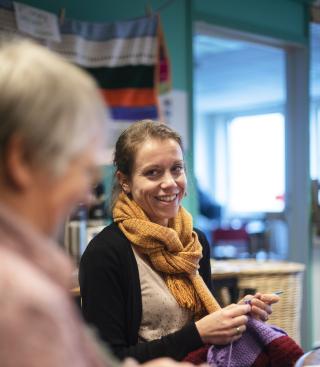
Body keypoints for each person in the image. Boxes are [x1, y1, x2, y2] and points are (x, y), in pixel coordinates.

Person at [0, 40, 192, 367]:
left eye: (176, 169)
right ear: (22, 161)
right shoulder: (22, 300)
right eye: (80, 168)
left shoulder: (33, 276)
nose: (87, 195)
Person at [79, 120, 280, 364]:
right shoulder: (105, 253)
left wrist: (238, 315)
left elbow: (205, 320)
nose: (170, 183)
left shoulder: (194, 242)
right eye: (152, 172)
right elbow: (106, 359)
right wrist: (199, 334)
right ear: (125, 181)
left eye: (177, 169)